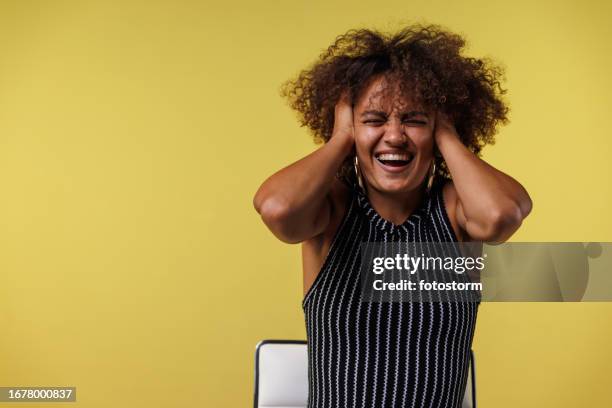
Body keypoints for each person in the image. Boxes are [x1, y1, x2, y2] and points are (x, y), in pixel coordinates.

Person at [253, 23, 532, 408]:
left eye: (414, 120)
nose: (395, 135)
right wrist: (341, 139)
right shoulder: (332, 211)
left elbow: (502, 215)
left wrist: (446, 131)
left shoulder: (455, 213)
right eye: (374, 119)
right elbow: (277, 209)